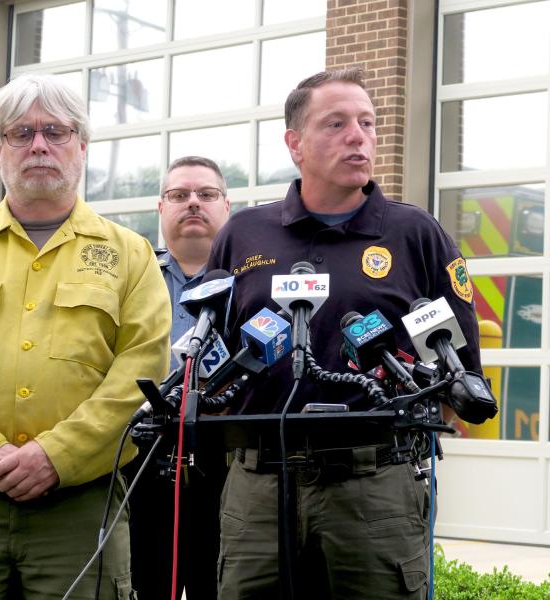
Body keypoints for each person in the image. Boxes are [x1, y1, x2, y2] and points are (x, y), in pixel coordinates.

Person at [206, 67, 482, 599]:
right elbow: (212, 361)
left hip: (373, 489)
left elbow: (462, 369)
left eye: (367, 122)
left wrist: (406, 440)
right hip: (259, 489)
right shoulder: (243, 234)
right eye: (336, 124)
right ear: (295, 143)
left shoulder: (415, 233)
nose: (358, 136)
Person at [0, 74, 170, 598]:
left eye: (55, 130)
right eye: (20, 133)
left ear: (83, 145)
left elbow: (141, 372)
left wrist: (58, 456)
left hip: (82, 506)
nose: (39, 145)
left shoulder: (129, 253)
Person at [126, 156, 231, 599]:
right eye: (179, 195)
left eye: (206, 195)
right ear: (160, 208)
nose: (193, 203)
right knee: (147, 582)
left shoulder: (250, 282)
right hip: (144, 458)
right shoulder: (132, 279)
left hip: (227, 462)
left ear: (226, 207)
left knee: (219, 584)